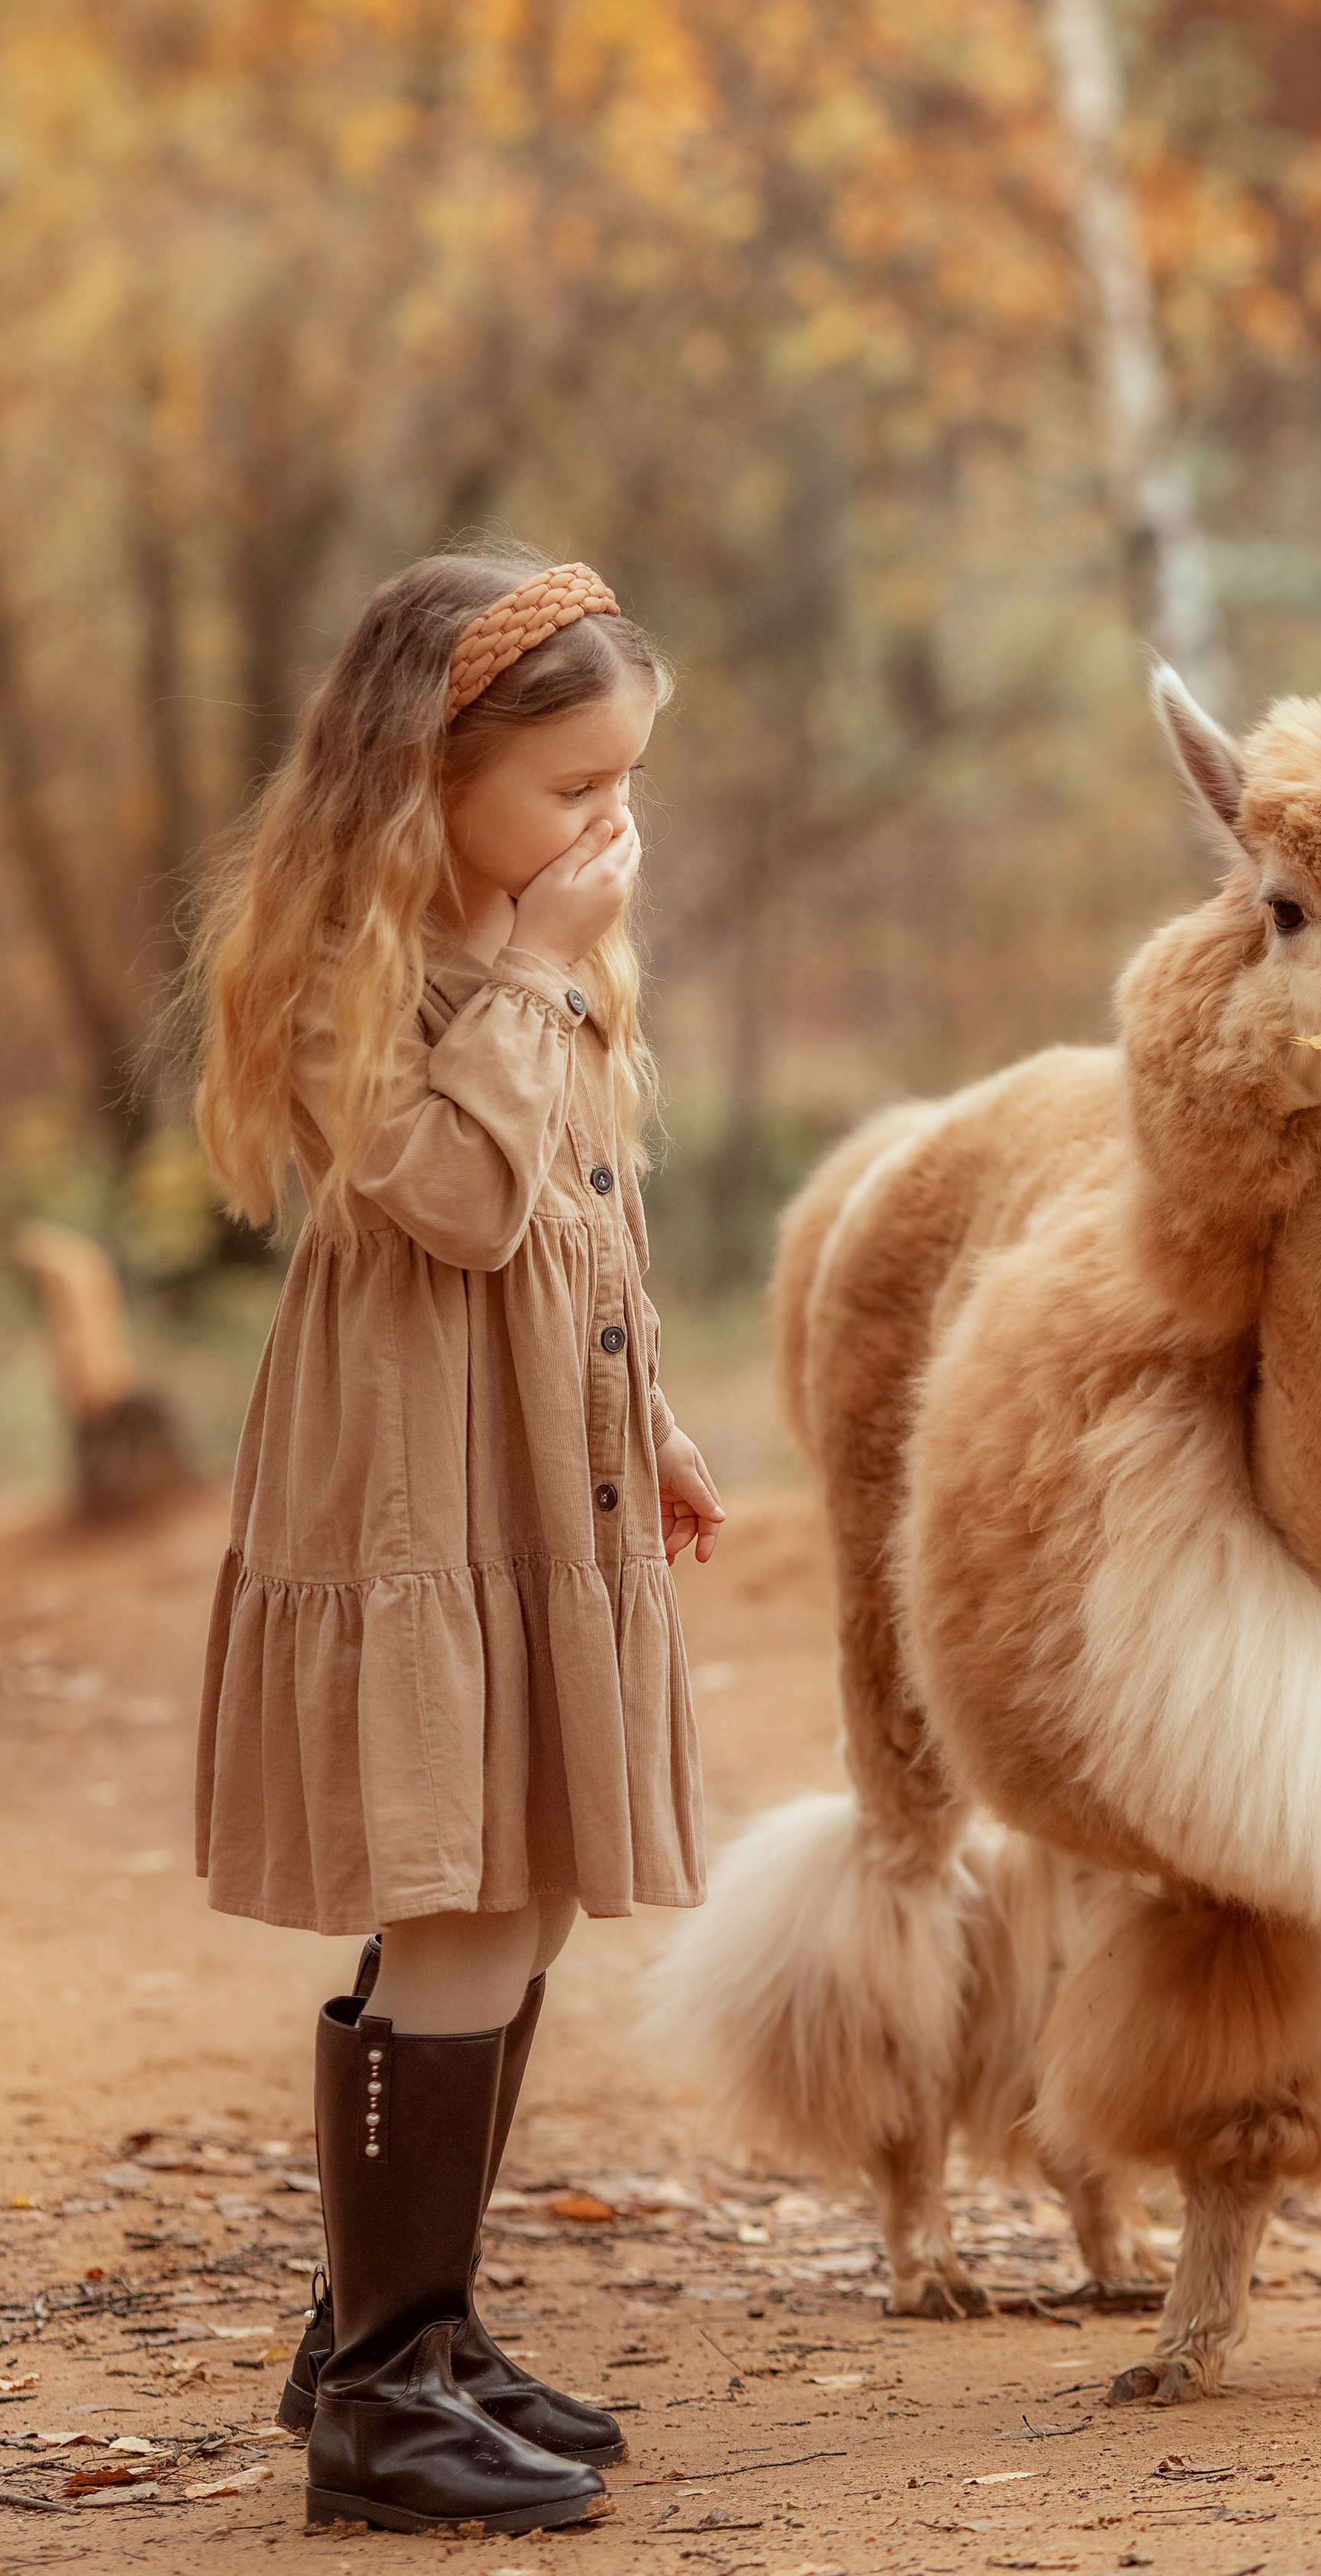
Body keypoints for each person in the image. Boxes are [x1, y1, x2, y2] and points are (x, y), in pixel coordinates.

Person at [182, 549, 723, 2536]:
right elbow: (458, 1207)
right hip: (421, 1478)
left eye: (626, 786)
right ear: (433, 777)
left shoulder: (531, 949)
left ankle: (404, 2329)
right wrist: (530, 967)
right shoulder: (379, 958)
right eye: (574, 790)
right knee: (463, 1880)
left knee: (531, 1881)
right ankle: (383, 2393)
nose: (612, 830)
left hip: (536, 1466)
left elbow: (580, 1217)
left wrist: (643, 1413)